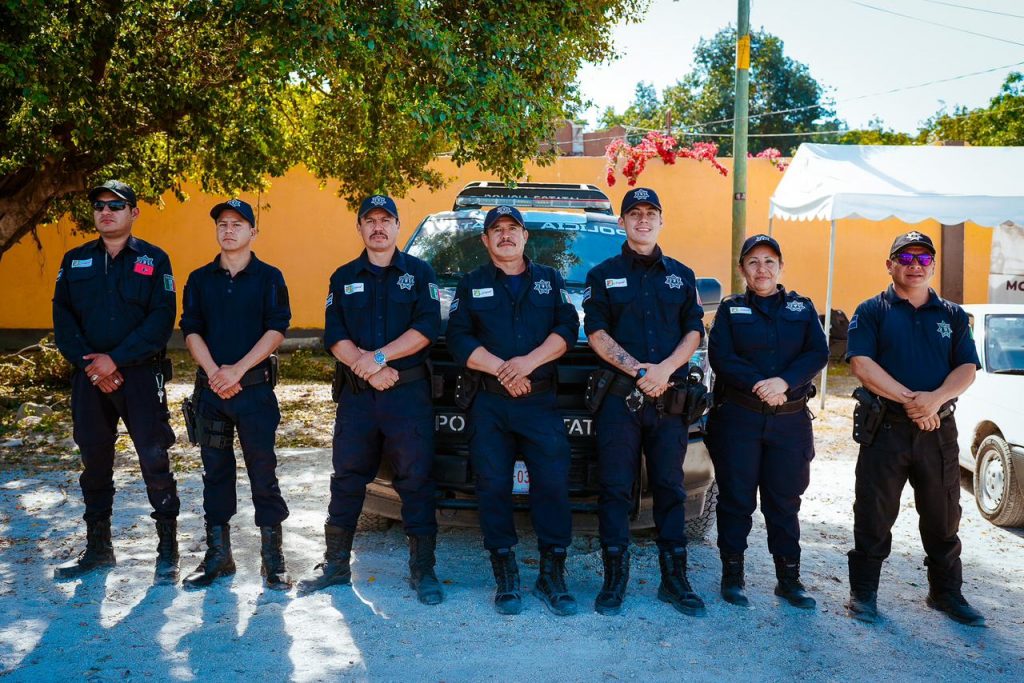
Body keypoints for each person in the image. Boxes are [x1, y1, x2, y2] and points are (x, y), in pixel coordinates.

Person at [298, 194, 444, 605]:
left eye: (385, 220)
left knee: (416, 480)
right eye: (370, 221)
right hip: (359, 397)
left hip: (407, 396)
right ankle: (335, 565)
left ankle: (423, 570)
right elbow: (334, 335)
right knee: (347, 477)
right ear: (360, 227)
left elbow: (427, 327)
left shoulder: (419, 273)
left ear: (397, 226)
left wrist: (378, 358)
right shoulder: (343, 276)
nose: (378, 227)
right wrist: (370, 370)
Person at [446, 205, 581, 616]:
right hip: (489, 402)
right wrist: (504, 371)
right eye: (497, 230)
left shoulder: (549, 280)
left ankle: (551, 576)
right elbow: (458, 338)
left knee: (553, 484)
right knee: (492, 485)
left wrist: (526, 364)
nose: (505, 235)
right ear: (485, 240)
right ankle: (505, 576)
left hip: (539, 401)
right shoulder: (471, 283)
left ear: (525, 237)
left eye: (512, 228)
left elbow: (567, 328)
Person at [845, 230, 984, 627]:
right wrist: (914, 402)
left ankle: (945, 593)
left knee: (944, 515)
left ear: (933, 266)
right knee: (873, 512)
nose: (915, 266)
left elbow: (966, 367)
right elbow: (861, 364)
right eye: (906, 258)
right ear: (890, 265)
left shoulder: (952, 315)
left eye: (923, 259)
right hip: (884, 427)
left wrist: (935, 400)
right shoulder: (871, 311)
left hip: (937, 429)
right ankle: (864, 594)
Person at [583, 187, 705, 617]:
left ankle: (675, 580)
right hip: (621, 400)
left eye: (651, 213)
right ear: (622, 222)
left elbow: (694, 330)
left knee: (670, 487)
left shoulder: (682, 276)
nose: (643, 220)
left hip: (669, 398)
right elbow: (596, 332)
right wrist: (639, 371)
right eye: (634, 213)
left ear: (661, 220)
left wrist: (664, 370)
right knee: (615, 487)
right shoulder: (602, 275)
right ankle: (614, 579)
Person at [51, 180, 180, 582]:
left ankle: (167, 551)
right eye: (99, 205)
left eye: (116, 205)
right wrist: (94, 367)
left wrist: (116, 360)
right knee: (94, 461)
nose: (106, 211)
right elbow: (63, 320)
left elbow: (161, 319)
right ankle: (98, 548)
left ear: (133, 213)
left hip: (139, 375)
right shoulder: (74, 261)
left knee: (154, 458)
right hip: (89, 377)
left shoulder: (155, 260)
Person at [706, 234, 829, 609]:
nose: (762, 269)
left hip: (789, 423)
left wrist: (784, 383)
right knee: (735, 500)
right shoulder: (730, 310)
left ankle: (788, 580)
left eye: (769, 261)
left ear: (780, 267)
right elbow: (721, 357)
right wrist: (761, 385)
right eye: (753, 262)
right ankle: (732, 577)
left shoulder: (802, 308)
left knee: (784, 501)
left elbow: (818, 353)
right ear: (742, 269)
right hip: (739, 420)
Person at [178, 198, 292, 590]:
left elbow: (277, 329)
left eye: (237, 224)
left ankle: (273, 560)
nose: (228, 230)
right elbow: (190, 329)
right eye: (222, 224)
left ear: (253, 232)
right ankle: (218, 556)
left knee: (263, 472)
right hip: (212, 394)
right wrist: (215, 374)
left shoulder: (270, 278)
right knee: (215, 474)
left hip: (254, 392)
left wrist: (237, 370)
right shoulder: (200, 279)